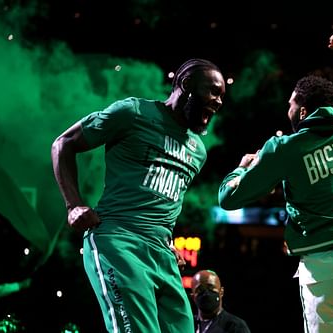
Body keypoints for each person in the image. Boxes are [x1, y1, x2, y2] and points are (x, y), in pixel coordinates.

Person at [218, 30, 333, 333]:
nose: (288, 110)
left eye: (291, 104)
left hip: (325, 272)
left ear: (303, 110)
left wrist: (240, 171)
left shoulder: (284, 149)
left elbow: (229, 200)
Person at [51, 58, 226, 333]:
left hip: (162, 254)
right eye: (213, 91)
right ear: (186, 84)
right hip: (118, 241)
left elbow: (163, 200)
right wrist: (73, 205)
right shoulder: (133, 112)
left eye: (221, 96)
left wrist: (165, 238)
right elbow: (64, 144)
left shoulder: (197, 151)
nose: (218, 101)